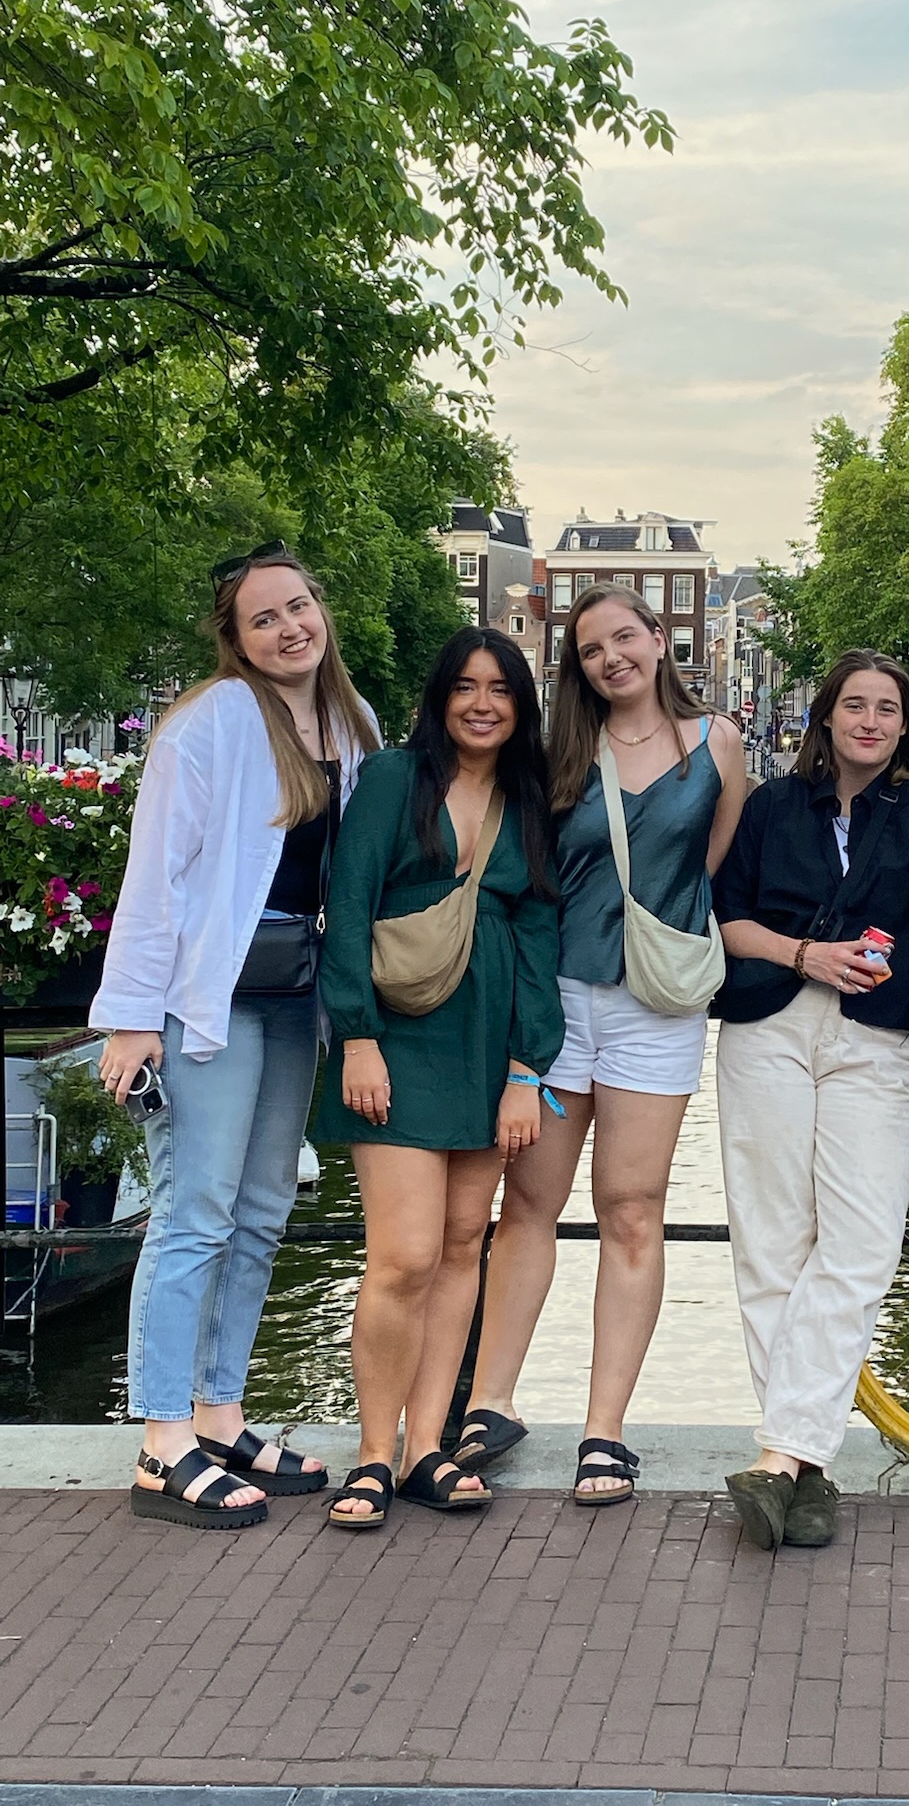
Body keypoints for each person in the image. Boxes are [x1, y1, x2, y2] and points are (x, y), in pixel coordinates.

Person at [92, 544, 380, 1529]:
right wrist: (133, 1018)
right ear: (237, 638)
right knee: (194, 1212)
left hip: (295, 994)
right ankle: (161, 1440)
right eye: (264, 618)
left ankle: (220, 1413)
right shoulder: (208, 723)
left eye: (298, 606)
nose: (289, 626)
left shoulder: (351, 724)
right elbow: (155, 871)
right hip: (206, 995)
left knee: (260, 1211)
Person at [457, 584, 745, 1505]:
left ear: (659, 641)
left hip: (655, 1007)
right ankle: (491, 1403)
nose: (611, 656)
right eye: (591, 648)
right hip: (558, 998)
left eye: (626, 636)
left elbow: (711, 869)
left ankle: (604, 1429)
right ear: (574, 665)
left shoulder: (718, 745)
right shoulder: (554, 754)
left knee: (632, 1208)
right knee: (528, 1200)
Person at [711, 650, 909, 1551]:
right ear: (824, 718)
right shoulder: (771, 807)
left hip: (874, 1037)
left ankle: (780, 1457)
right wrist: (804, 954)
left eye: (887, 708)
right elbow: (727, 919)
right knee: (771, 1243)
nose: (869, 720)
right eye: (853, 706)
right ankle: (803, 1469)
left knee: (861, 1243)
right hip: (768, 1028)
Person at [313, 628, 563, 1527]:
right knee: (405, 1254)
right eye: (465, 687)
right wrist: (358, 1036)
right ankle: (373, 1451)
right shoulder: (390, 779)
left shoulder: (529, 798)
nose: (482, 703)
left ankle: (426, 1446)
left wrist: (528, 1068)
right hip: (399, 1039)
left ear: (521, 703)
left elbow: (539, 936)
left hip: (490, 1043)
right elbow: (347, 906)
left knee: (463, 1246)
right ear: (440, 697)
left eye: (500, 689)